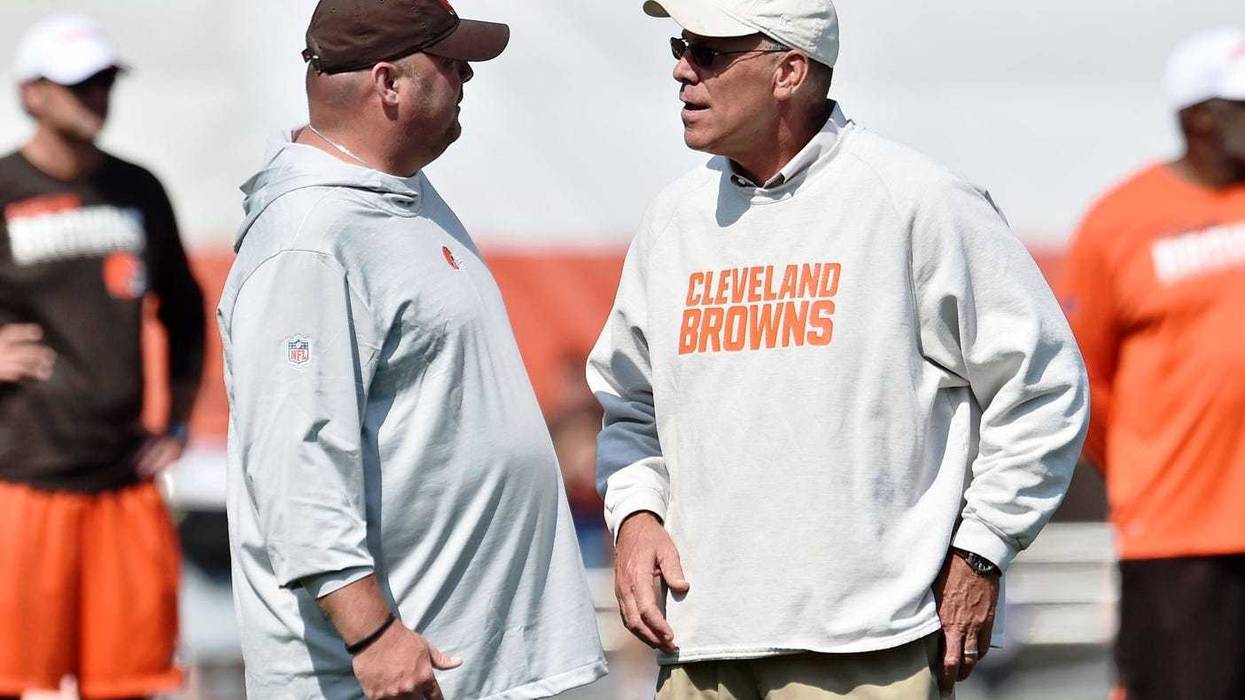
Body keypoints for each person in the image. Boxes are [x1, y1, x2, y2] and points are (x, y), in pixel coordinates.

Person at [588, 0, 1090, 697]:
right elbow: (629, 405)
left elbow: (1041, 387)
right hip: (699, 643)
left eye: (707, 51)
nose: (679, 70)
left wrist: (982, 550)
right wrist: (636, 515)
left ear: (788, 70)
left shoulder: (918, 200)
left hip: (871, 649)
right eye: (680, 46)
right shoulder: (672, 219)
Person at [217, 1, 606, 698]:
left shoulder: (395, 200)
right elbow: (293, 463)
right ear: (388, 83)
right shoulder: (310, 237)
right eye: (450, 63)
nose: (465, 78)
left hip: (459, 663)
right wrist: (371, 636)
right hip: (385, 674)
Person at [0, 13, 206, 700]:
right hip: (20, 481)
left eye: (104, 83)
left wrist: (175, 423)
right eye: (78, 84)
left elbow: (185, 310)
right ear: (31, 93)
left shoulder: (137, 188)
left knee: (129, 685)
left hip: (123, 481)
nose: (96, 98)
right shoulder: (1, 190)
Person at [1061, 26, 1245, 700]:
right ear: (1198, 118)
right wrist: (1147, 469)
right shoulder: (1119, 221)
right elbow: (1084, 386)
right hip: (1178, 533)